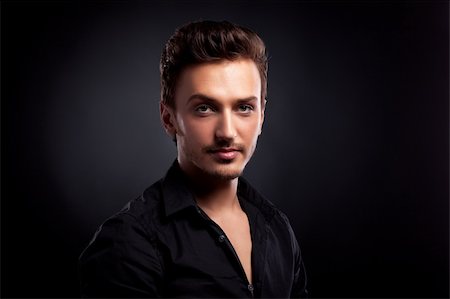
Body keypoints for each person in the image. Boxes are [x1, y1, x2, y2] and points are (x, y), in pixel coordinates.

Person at [78, 20, 308, 298]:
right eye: (205, 108)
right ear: (168, 118)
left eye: (244, 107)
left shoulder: (277, 228)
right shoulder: (127, 242)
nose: (227, 132)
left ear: (262, 116)